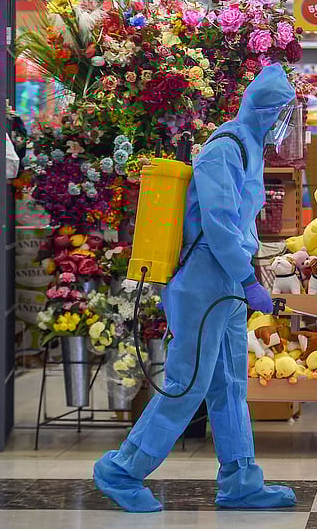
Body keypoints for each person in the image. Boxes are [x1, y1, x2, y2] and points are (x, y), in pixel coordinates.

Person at [93, 64, 299, 513]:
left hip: (225, 280)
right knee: (187, 384)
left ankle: (241, 480)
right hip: (203, 280)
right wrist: (247, 277)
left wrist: (252, 273)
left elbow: (241, 224)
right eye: (282, 113)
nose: (286, 123)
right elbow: (219, 224)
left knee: (229, 384)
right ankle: (122, 469)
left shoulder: (250, 147)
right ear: (264, 111)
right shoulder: (224, 150)